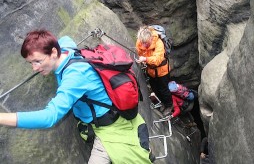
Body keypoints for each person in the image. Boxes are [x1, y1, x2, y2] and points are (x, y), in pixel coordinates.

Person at [0, 29, 152, 163]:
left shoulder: (75, 77)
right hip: (107, 116)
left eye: (38, 61)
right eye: (31, 63)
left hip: (112, 128)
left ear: (53, 52)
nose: (34, 68)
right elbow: (65, 38)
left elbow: (49, 117)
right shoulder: (65, 48)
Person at [136, 26, 173, 116]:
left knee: (164, 90)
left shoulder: (158, 43)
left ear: (150, 38)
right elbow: (139, 52)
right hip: (151, 71)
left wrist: (145, 59)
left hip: (162, 71)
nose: (144, 45)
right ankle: (162, 103)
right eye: (143, 42)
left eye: (146, 42)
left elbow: (157, 60)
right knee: (155, 89)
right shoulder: (139, 43)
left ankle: (169, 105)